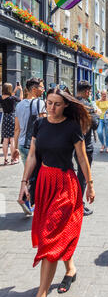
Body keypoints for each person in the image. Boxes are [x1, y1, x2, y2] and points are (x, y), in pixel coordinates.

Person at [17, 87, 95, 297]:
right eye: (49, 103)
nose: (51, 108)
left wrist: (89, 184)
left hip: (64, 185)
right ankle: (70, 268)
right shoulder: (39, 123)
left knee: (50, 236)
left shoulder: (72, 127)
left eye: (57, 104)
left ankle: (41, 295)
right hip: (43, 184)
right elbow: (32, 155)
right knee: (57, 232)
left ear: (66, 105)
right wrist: (24, 183)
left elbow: (81, 158)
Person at [13, 78, 46, 215]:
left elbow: (17, 129)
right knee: (37, 175)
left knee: (28, 174)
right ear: (34, 89)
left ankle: (27, 198)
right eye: (41, 87)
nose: (43, 90)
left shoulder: (19, 105)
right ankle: (27, 199)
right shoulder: (40, 103)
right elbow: (44, 126)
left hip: (21, 144)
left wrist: (15, 148)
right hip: (34, 145)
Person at [75, 80, 99, 216]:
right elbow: (95, 124)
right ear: (86, 92)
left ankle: (74, 202)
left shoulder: (71, 103)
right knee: (83, 175)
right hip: (86, 144)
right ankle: (79, 205)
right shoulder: (88, 105)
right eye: (89, 91)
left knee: (75, 174)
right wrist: (95, 113)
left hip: (72, 143)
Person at [0, 82, 23, 165]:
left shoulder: (1, 98)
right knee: (12, 139)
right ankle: (13, 159)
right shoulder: (12, 98)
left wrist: (15, 90)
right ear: (9, 89)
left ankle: (5, 159)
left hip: (5, 118)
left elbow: (8, 97)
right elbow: (21, 99)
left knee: (5, 140)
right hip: (12, 118)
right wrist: (20, 90)